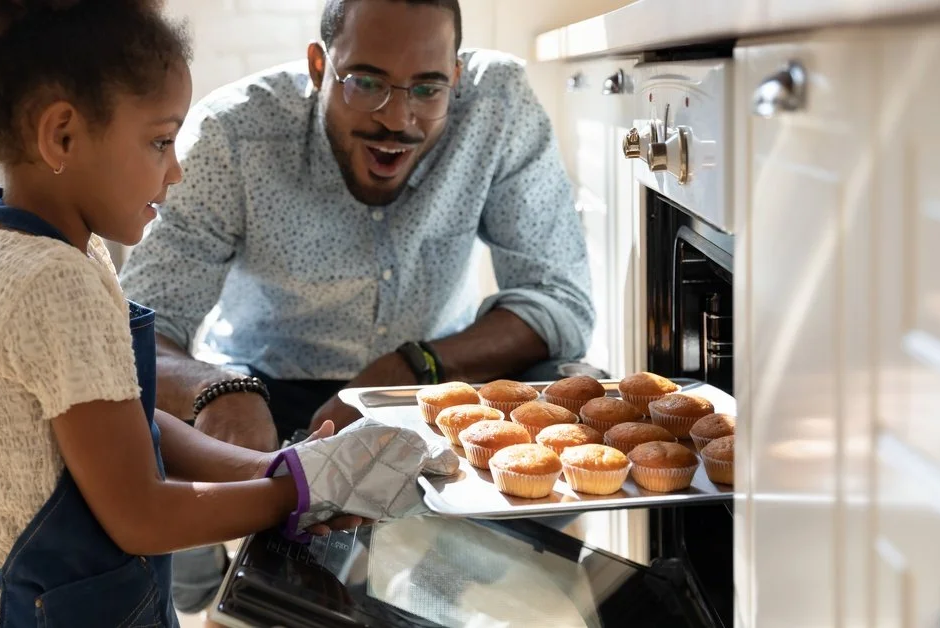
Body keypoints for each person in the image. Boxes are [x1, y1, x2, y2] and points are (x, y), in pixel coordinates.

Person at [0, 1, 453, 625]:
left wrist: (273, 467)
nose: (175, 171)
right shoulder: (56, 282)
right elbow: (140, 515)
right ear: (62, 135)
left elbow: (124, 417)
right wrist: (298, 493)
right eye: (159, 141)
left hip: (83, 595)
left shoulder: (9, 242)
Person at [118, 0, 597, 612]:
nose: (397, 119)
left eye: (427, 88)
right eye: (366, 82)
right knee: (142, 422)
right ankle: (207, 574)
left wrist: (411, 365)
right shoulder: (232, 134)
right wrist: (221, 389)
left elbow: (559, 300)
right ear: (320, 66)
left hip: (429, 383)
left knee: (569, 385)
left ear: (455, 74)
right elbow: (135, 327)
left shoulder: (497, 105)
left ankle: (436, 585)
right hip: (263, 384)